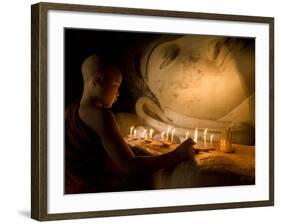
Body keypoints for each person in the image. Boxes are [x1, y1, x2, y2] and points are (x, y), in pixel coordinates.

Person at [65, 54, 195, 194]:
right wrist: (176, 155)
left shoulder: (70, 109)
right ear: (99, 79)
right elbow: (130, 167)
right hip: (94, 189)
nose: (118, 93)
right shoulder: (100, 115)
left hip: (71, 187)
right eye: (115, 85)